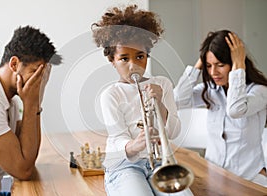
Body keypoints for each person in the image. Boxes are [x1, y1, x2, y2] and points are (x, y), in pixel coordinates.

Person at [92, 5, 192, 196]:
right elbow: (118, 137)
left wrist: (160, 103)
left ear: (147, 55)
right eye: (124, 58)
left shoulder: (162, 84)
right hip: (124, 166)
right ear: (112, 60)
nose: (134, 65)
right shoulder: (111, 94)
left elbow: (173, 132)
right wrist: (136, 144)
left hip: (161, 162)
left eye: (140, 56)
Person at [0, 25, 61, 195]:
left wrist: (35, 104)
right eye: (35, 72)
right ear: (14, 64)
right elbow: (23, 170)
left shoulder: (9, 101)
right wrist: (32, 104)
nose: (40, 82)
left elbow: (27, 154)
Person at [174, 30, 267, 187]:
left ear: (235, 62)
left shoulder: (259, 91)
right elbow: (177, 100)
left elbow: (235, 110)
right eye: (209, 66)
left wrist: (239, 66)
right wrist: (200, 62)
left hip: (247, 179)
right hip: (213, 177)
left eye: (220, 65)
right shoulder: (211, 90)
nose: (213, 72)